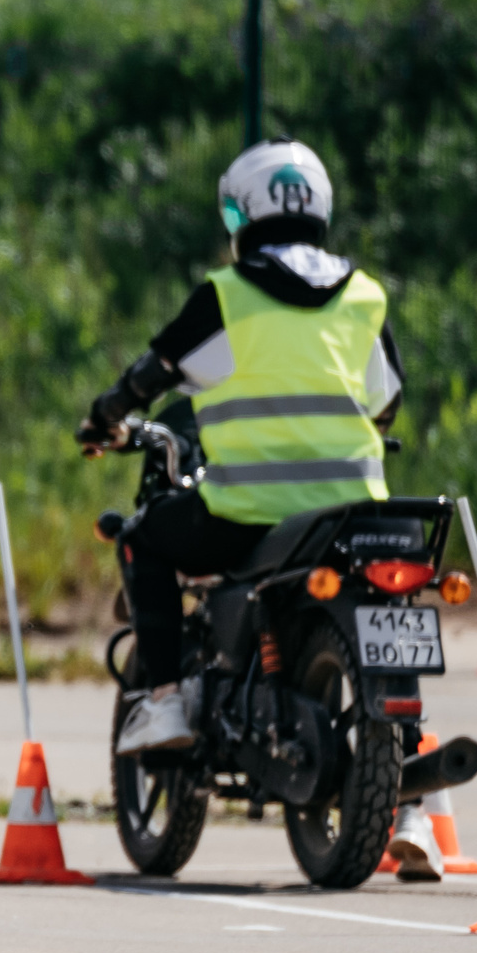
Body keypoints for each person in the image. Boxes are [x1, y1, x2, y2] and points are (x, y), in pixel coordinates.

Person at [79, 139, 405, 764]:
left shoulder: (228, 294)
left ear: (245, 215)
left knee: (143, 539)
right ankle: (414, 795)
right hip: (352, 509)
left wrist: (105, 415)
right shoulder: (365, 295)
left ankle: (166, 698)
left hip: (247, 510)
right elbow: (385, 401)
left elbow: (154, 373)